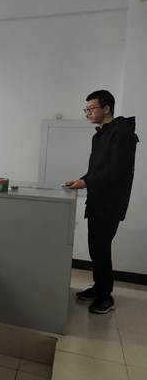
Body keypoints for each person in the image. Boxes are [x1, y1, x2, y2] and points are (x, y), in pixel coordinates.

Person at [66, 90, 138, 314]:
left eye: (91, 109)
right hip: (97, 200)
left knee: (101, 247)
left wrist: (86, 182)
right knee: (96, 247)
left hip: (110, 203)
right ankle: (99, 288)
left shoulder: (122, 133)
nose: (88, 113)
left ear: (106, 108)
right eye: (86, 109)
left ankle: (106, 296)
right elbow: (97, 169)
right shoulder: (100, 135)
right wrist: (81, 180)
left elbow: (116, 170)